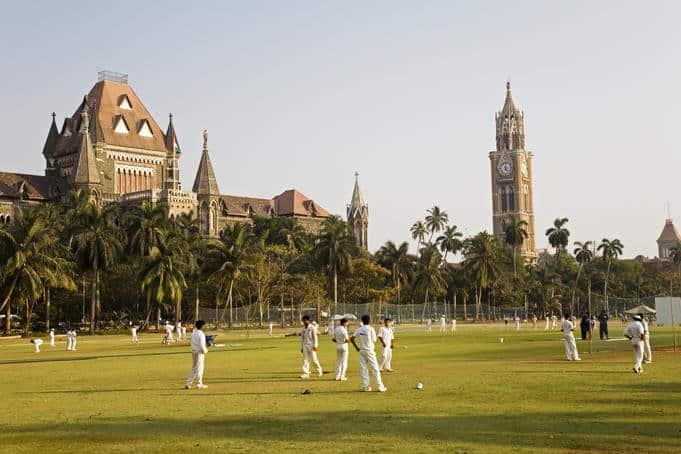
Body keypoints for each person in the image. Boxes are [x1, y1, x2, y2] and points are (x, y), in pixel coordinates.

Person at [350, 315, 387, 392]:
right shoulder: (371, 329)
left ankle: (366, 387)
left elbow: (352, 338)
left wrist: (356, 348)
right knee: (375, 369)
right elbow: (374, 340)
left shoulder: (359, 329)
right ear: (369, 320)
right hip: (369, 351)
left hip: (362, 351)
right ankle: (380, 387)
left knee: (363, 369)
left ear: (362, 321)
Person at [185, 320, 209, 389]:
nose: (205, 327)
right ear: (202, 326)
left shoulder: (193, 333)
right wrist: (205, 351)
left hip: (194, 352)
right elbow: (202, 345)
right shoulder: (201, 334)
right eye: (204, 325)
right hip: (199, 353)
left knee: (194, 368)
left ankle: (188, 383)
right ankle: (199, 384)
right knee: (200, 368)